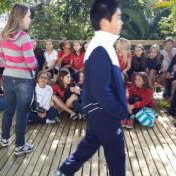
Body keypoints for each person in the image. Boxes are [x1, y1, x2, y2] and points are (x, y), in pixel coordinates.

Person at [55, 0, 128, 175]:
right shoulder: (100, 48)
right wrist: (119, 111)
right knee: (117, 159)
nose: (121, 22)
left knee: (87, 147)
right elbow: (100, 90)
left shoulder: (102, 45)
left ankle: (63, 172)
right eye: (118, 17)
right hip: (105, 113)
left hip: (98, 112)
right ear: (105, 22)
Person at [0, 4, 38, 156]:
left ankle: (4, 138)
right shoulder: (24, 38)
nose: (30, 19)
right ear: (20, 18)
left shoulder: (3, 36)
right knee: (22, 113)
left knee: (8, 110)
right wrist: (36, 63)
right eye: (28, 16)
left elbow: (0, 61)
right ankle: (20, 146)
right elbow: (31, 63)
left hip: (7, 77)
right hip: (23, 80)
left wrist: (12, 64)